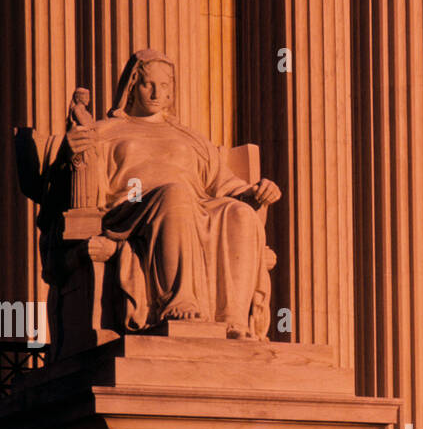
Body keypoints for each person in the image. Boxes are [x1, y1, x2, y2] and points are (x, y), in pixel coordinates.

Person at [62, 49, 281, 339]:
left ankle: (233, 320)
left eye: (163, 86)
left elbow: (225, 185)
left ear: (171, 92)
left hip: (194, 207)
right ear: (132, 87)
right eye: (147, 84)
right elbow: (74, 181)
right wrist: (75, 152)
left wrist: (255, 193)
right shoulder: (106, 132)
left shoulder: (191, 139)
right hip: (133, 204)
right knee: (175, 196)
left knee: (238, 213)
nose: (155, 92)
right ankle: (178, 302)